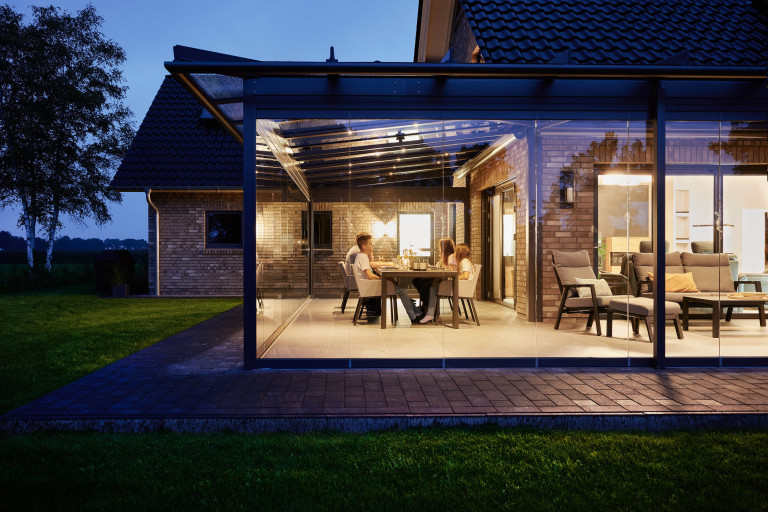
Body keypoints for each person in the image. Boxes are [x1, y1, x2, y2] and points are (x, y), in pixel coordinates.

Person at [353, 234, 424, 324]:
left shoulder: (361, 256)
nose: (372, 246)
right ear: (364, 246)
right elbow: (370, 276)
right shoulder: (363, 257)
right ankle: (414, 317)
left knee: (396, 285)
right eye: (370, 244)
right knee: (401, 290)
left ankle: (417, 313)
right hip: (369, 287)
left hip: (367, 286)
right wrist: (383, 278)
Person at [420, 239, 468, 324]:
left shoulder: (451, 257)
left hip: (450, 283)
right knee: (422, 282)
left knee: (430, 286)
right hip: (448, 281)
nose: (439, 248)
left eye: (440, 246)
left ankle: (429, 311)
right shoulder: (450, 257)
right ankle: (428, 309)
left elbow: (452, 272)